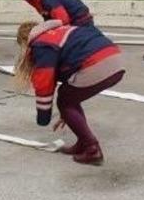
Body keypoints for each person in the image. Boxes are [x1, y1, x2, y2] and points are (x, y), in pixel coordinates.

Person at [14, 20, 125, 165]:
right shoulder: (62, 30)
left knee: (65, 100)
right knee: (70, 96)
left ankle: (92, 149)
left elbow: (44, 80)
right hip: (115, 59)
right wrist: (68, 114)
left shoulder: (41, 43)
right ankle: (83, 142)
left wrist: (44, 116)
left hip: (96, 63)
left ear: (24, 40)